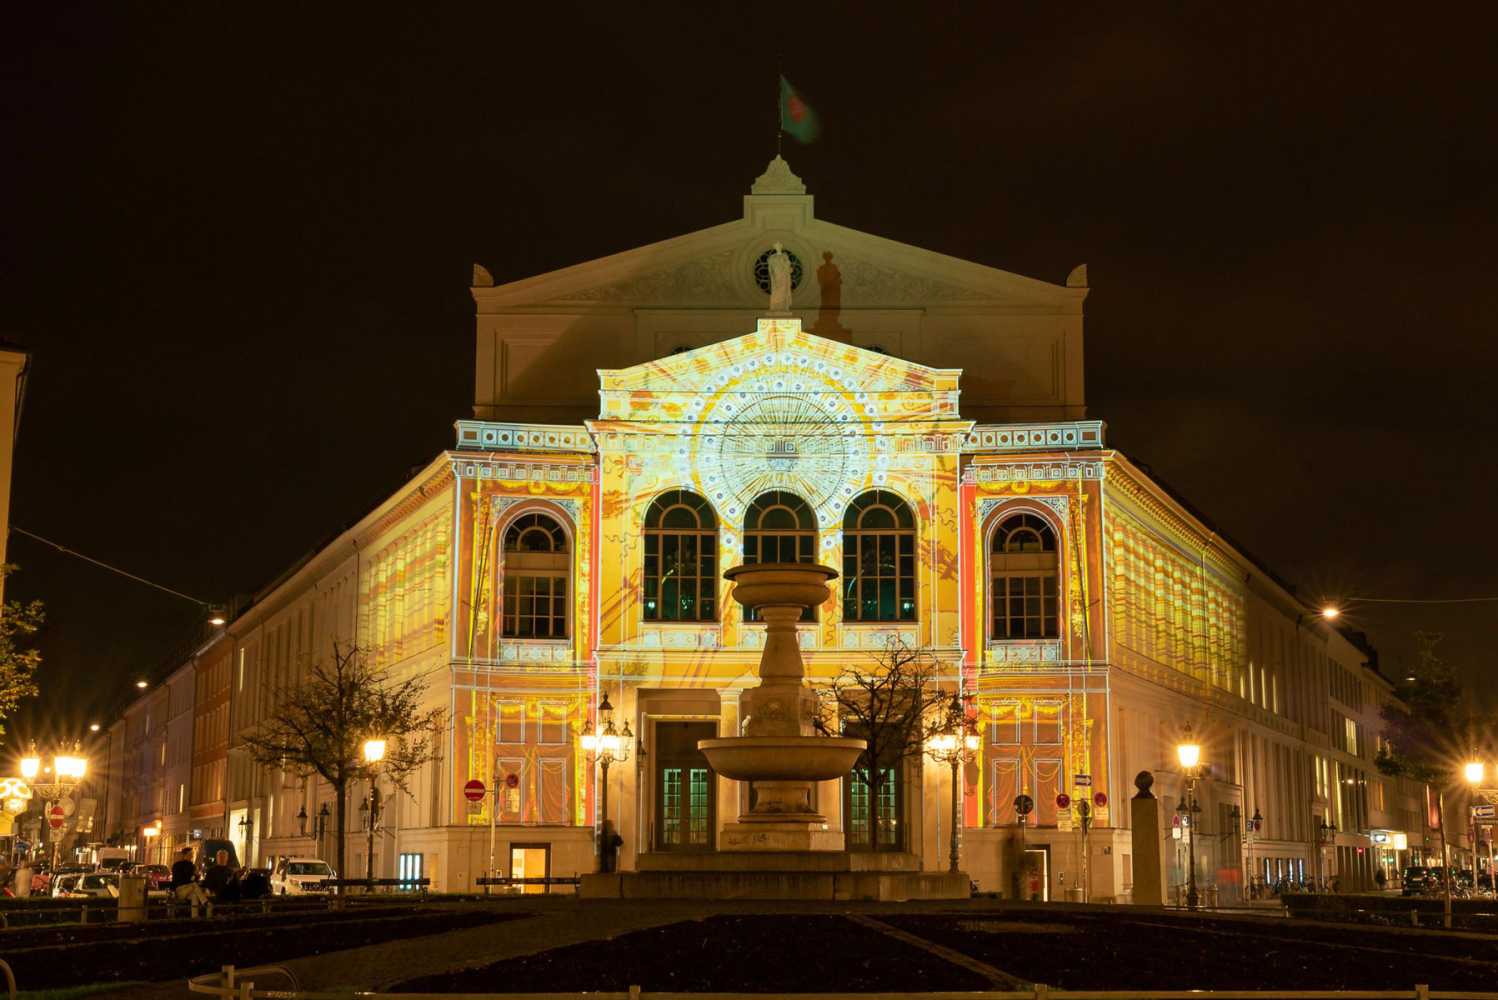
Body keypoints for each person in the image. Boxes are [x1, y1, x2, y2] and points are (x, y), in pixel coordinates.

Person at [171, 847, 208, 911]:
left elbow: (192, 879)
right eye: (190, 854)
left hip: (188, 889)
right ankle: (205, 903)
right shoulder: (180, 865)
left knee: (194, 896)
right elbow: (190, 879)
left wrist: (195, 876)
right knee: (194, 885)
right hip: (180, 890)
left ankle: (194, 916)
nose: (192, 855)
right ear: (185, 855)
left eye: (193, 854)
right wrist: (195, 875)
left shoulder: (191, 866)